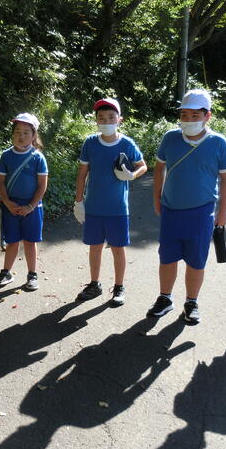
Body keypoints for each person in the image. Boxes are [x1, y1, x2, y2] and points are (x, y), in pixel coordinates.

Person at [147, 89, 226, 322]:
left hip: (201, 212)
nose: (189, 119)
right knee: (167, 257)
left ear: (208, 116)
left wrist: (223, 211)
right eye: (184, 114)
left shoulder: (218, 143)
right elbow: (159, 168)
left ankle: (191, 301)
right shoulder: (170, 138)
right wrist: (156, 198)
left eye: (195, 115)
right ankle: (165, 298)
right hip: (170, 209)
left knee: (196, 260)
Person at [73, 98, 146, 306]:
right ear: (96, 120)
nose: (106, 121)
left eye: (111, 117)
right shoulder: (90, 143)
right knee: (94, 247)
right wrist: (78, 201)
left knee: (118, 248)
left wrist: (132, 175)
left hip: (118, 209)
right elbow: (82, 174)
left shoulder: (126, 143)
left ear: (119, 119)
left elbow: (142, 166)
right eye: (101, 118)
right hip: (93, 206)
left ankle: (119, 286)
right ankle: (94, 284)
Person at [0, 113, 48, 290]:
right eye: (17, 132)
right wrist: (8, 202)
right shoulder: (6, 156)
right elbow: (0, 182)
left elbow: (42, 186)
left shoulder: (38, 157)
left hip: (33, 207)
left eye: (26, 132)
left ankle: (32, 275)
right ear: (12, 134)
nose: (21, 136)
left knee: (30, 242)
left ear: (34, 135)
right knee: (12, 241)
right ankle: (6, 273)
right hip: (11, 207)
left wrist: (30, 206)